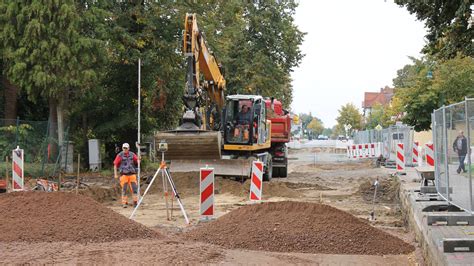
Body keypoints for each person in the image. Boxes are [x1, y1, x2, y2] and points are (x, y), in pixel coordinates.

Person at [114, 143, 139, 208]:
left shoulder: (132, 154)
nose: (125, 149)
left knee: (134, 189)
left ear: (128, 148)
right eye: (124, 148)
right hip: (124, 175)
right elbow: (115, 164)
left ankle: (135, 202)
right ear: (122, 148)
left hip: (132, 174)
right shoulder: (119, 155)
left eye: (126, 148)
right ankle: (124, 203)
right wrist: (115, 174)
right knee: (124, 189)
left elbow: (137, 161)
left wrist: (139, 159)